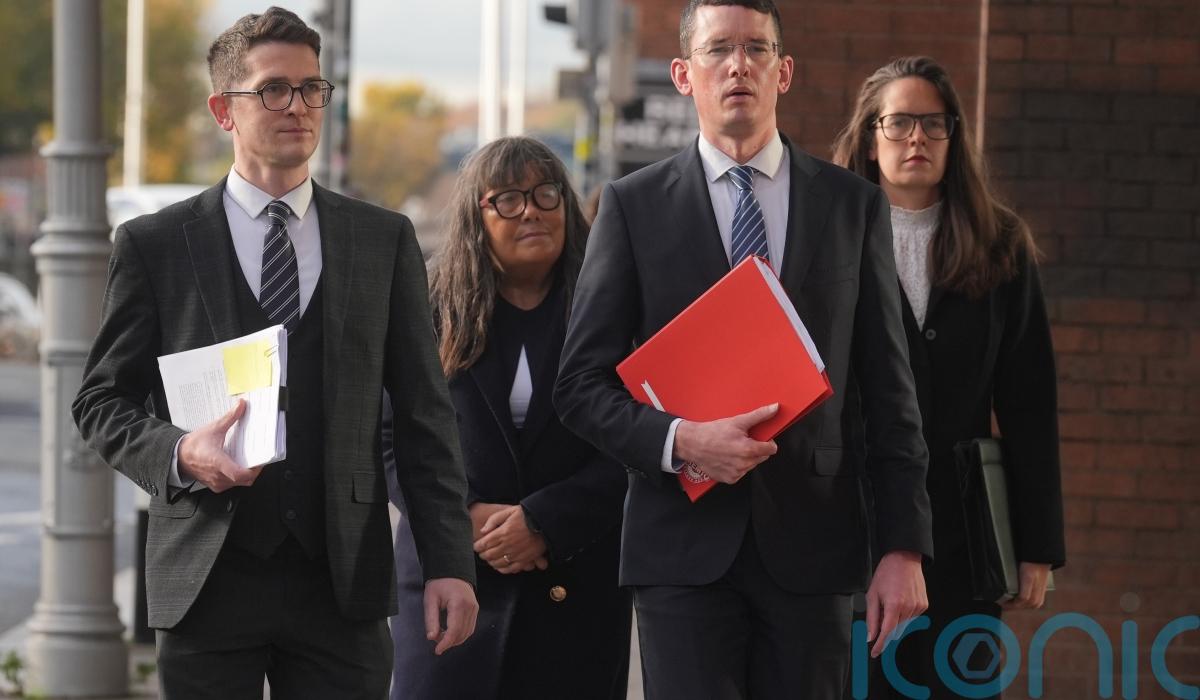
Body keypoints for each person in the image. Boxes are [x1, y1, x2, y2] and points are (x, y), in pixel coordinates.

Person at [71, 7, 478, 698]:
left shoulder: (382, 240)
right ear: (223, 110)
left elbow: (423, 417)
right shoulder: (155, 244)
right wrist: (181, 453)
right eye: (273, 90)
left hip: (341, 581)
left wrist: (449, 561)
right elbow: (100, 402)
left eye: (311, 88)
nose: (298, 106)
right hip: (207, 577)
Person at [553, 1, 934, 698]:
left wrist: (903, 546)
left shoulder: (851, 206)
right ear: (683, 74)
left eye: (757, 49)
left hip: (815, 547)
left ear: (783, 72)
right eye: (719, 49)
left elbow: (890, 394)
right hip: (681, 548)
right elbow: (579, 386)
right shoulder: (633, 206)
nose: (739, 66)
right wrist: (681, 441)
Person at [832, 56, 1065, 698]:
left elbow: (1029, 401)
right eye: (899, 122)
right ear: (870, 136)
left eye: (934, 124)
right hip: (854, 525)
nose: (917, 138)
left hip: (964, 532)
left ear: (954, 137)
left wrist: (1037, 543)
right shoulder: (831, 239)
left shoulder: (999, 242)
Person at [388, 136, 632, 699]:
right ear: (476, 217)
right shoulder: (428, 306)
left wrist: (545, 521)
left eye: (546, 193)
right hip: (450, 581)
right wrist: (462, 516)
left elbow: (635, 440)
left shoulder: (616, 309)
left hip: (576, 582)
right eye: (508, 198)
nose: (531, 211)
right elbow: (387, 435)